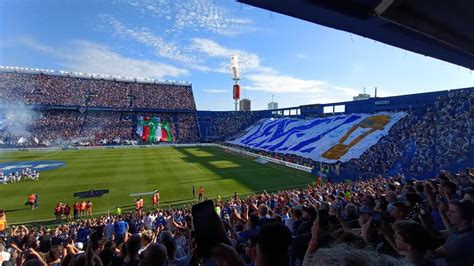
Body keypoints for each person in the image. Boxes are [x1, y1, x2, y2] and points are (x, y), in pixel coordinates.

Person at [429, 200, 474, 265]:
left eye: (452, 212)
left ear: (465, 216)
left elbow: (433, 255)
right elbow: (441, 233)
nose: (448, 214)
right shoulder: (459, 229)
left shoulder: (464, 239)